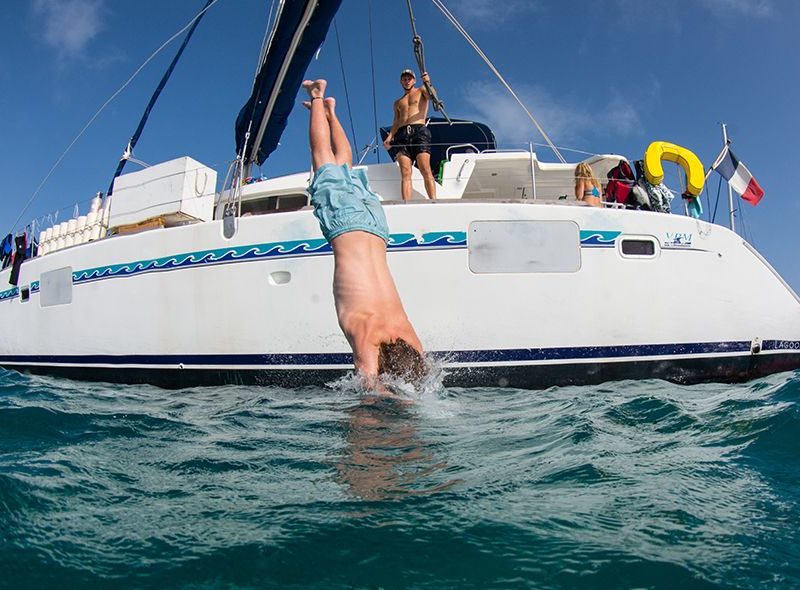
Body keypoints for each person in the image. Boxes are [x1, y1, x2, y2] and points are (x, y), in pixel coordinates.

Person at [302, 79, 426, 390]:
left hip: (377, 225)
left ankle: (331, 112)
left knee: (345, 167)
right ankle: (318, 97)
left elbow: (423, 370)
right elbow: (369, 384)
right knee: (323, 161)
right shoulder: (367, 335)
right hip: (347, 227)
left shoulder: (408, 332)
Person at [383, 69, 437, 201]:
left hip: (419, 131)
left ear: (414, 80)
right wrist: (389, 137)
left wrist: (428, 83)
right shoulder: (397, 102)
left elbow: (433, 97)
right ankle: (406, 203)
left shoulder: (421, 91)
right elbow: (396, 121)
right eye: (404, 79)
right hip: (401, 135)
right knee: (405, 172)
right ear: (401, 81)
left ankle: (434, 200)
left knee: (425, 168)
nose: (407, 81)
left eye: (409, 78)